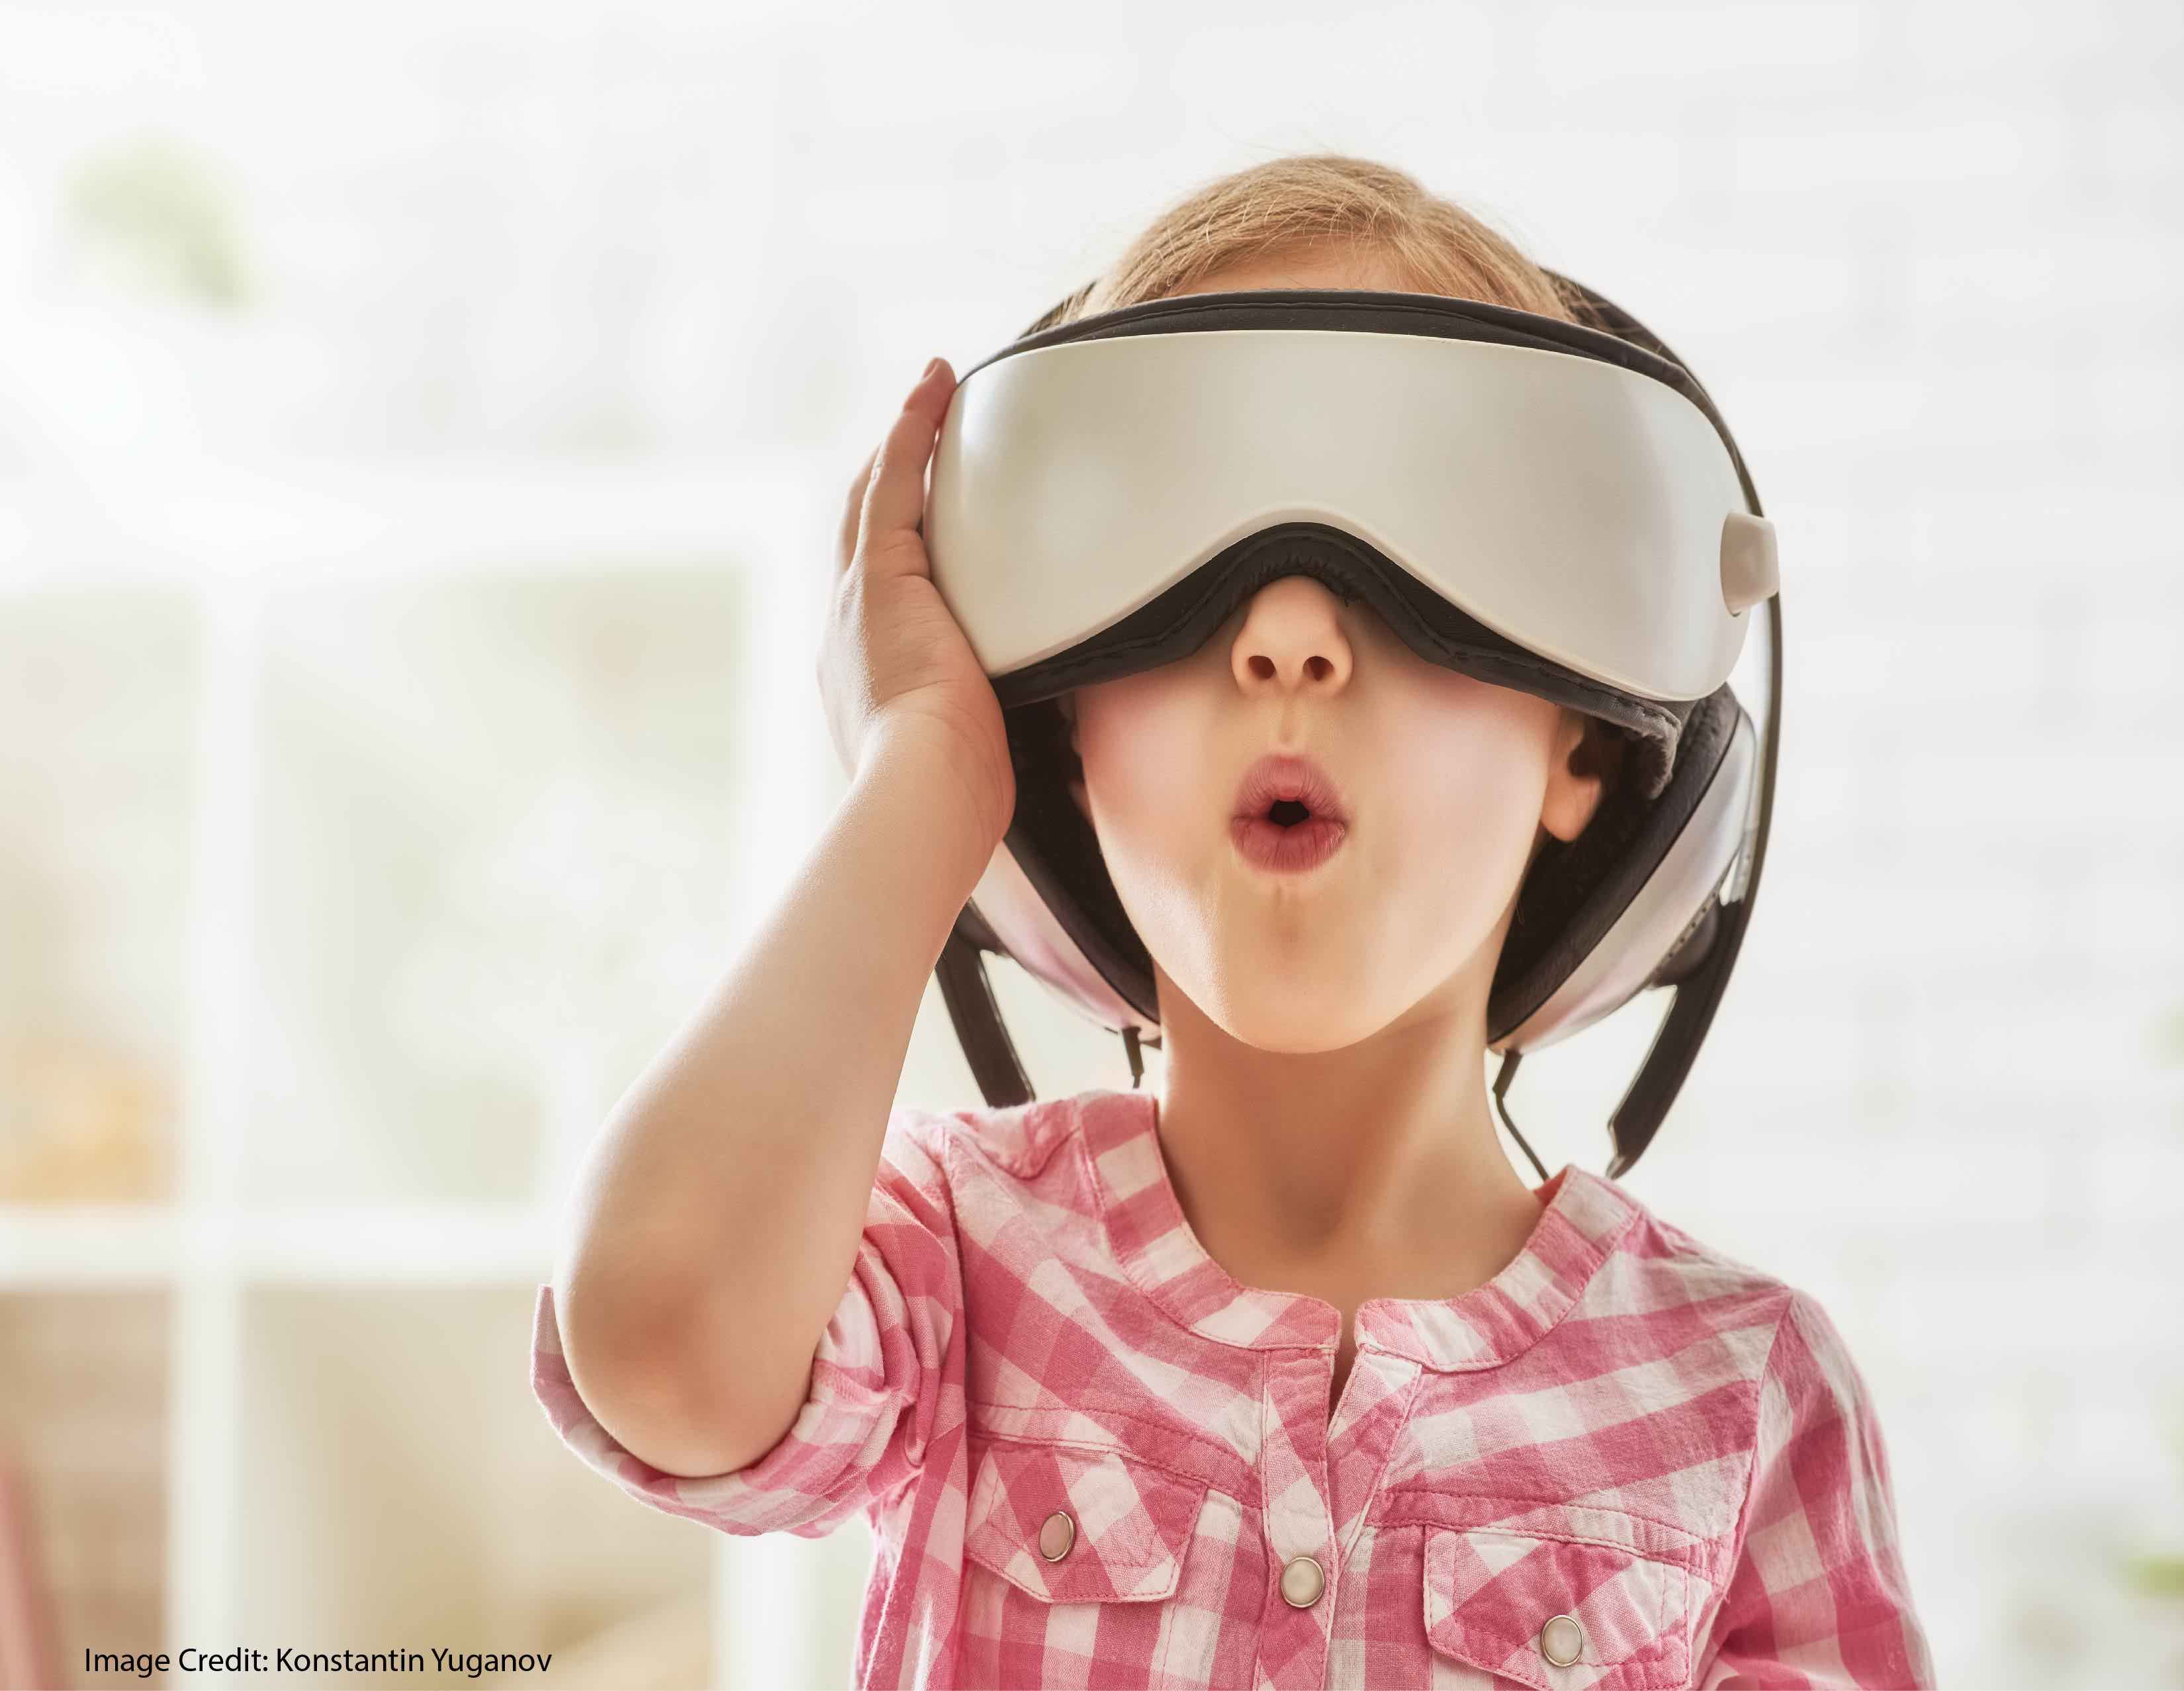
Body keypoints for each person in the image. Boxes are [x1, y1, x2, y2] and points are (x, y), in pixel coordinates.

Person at [529, 154, 1936, 1689]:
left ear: (1582, 741)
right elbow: (663, 1346)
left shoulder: (1742, 1399)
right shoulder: (954, 1264)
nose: (1284, 636)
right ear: (1066, 735)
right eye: (1173, 552)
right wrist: (921, 769)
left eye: (1436, 534)